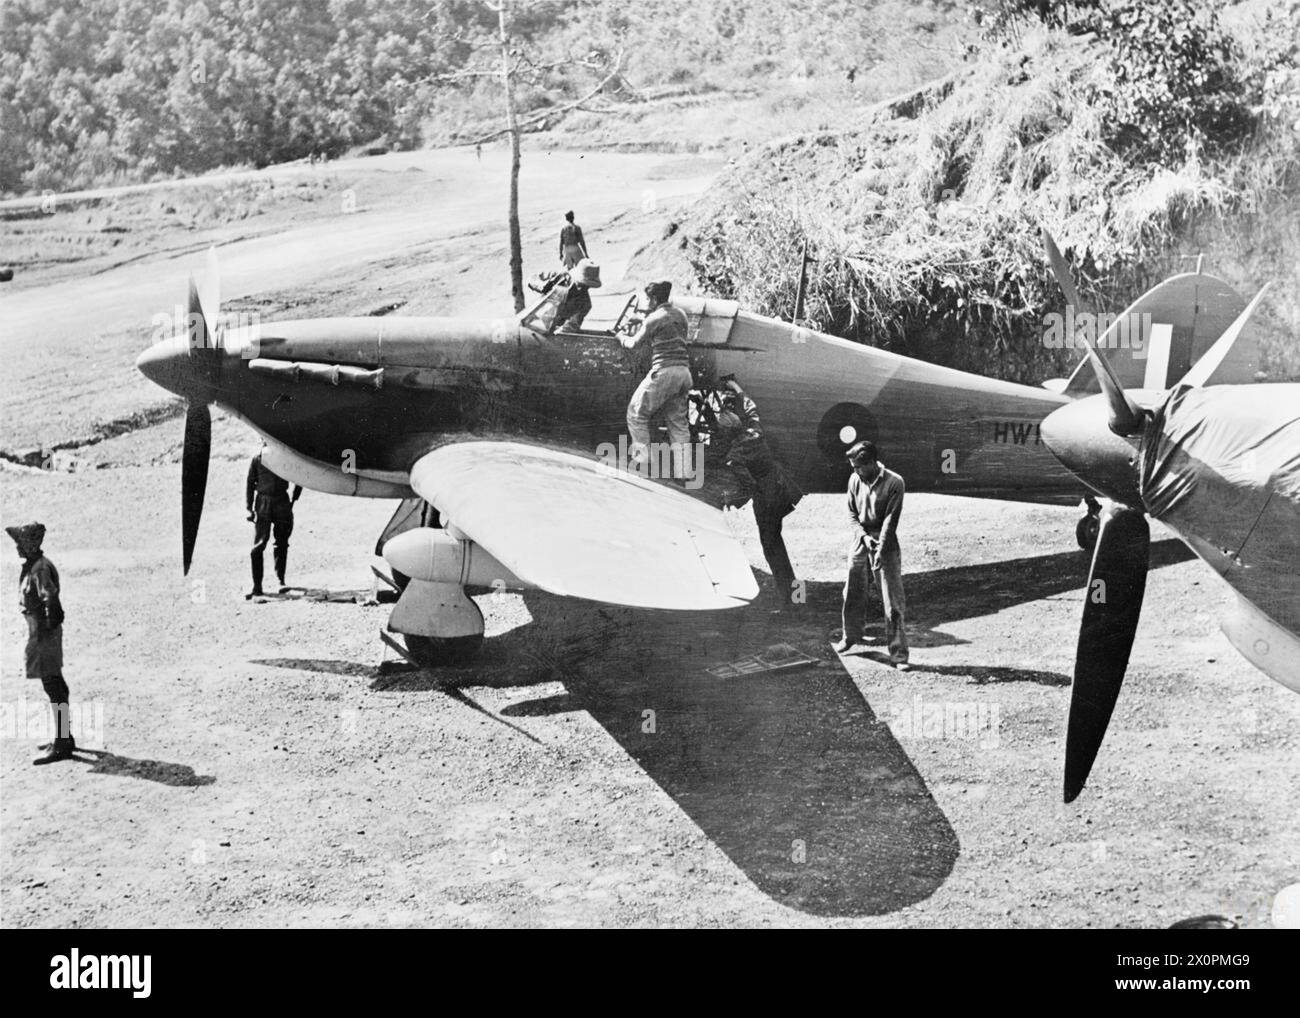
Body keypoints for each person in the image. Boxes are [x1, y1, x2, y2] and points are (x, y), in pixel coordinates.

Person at [714, 380, 803, 608]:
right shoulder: (754, 429)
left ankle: (792, 601)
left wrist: (727, 500)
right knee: (776, 543)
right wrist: (736, 387)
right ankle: (793, 597)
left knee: (771, 546)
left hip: (767, 499)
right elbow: (751, 407)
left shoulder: (735, 453)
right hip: (781, 489)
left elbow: (748, 486)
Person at [834, 440, 909, 669]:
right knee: (852, 592)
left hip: (885, 543)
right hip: (861, 539)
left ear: (871, 463)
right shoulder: (854, 479)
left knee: (892, 601)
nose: (854, 471)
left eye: (858, 466)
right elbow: (851, 514)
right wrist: (863, 538)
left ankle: (898, 655)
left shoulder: (895, 483)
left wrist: (879, 548)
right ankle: (851, 636)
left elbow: (890, 521)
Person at [7, 522, 76, 764]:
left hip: (43, 634)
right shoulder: (35, 566)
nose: (16, 548)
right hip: (40, 632)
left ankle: (62, 743)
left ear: (28, 545)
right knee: (55, 684)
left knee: (53, 686)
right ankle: (64, 736)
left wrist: (48, 628)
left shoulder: (40, 570)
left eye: (19, 544)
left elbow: (51, 600)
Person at [620, 280, 692, 479]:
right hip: (684, 373)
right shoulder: (681, 315)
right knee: (678, 424)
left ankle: (642, 464)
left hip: (665, 372)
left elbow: (633, 343)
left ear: (653, 299)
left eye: (648, 299)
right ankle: (684, 473)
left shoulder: (653, 319)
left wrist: (620, 337)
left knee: (636, 413)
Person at [246, 449, 303, 597]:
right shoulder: (257, 459)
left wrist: (294, 498)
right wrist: (249, 508)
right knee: (258, 545)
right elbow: (250, 482)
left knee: (282, 542)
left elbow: (300, 476)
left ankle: (281, 582)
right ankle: (257, 586)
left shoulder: (286, 457)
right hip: (263, 503)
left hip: (281, 502)